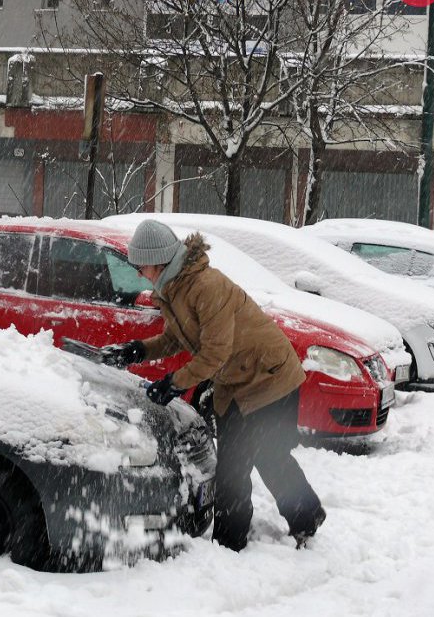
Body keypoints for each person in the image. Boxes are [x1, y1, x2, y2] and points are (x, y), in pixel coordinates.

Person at [101, 219, 325, 552]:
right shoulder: (174, 289)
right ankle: (307, 514)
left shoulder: (205, 286)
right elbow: (178, 338)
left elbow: (215, 353)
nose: (137, 273)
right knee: (262, 457)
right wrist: (139, 350)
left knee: (243, 464)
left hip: (269, 377)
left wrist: (174, 384)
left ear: (159, 261)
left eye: (141, 266)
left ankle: (229, 545)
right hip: (238, 380)